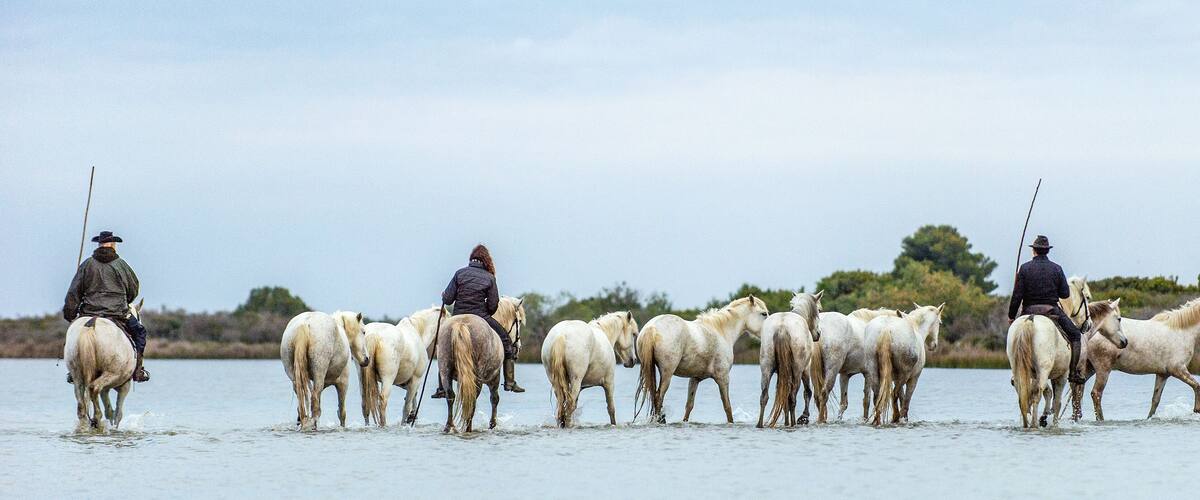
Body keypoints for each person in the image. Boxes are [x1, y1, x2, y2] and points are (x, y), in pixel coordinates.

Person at [431, 244, 524, 399]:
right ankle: (510, 381)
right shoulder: (489, 278)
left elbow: (447, 299)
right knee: (506, 341)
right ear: (486, 261)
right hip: (481, 316)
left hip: (456, 316)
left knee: (442, 346)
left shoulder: (459, 274)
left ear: (471, 259)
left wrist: (444, 295)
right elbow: (494, 305)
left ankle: (441, 387)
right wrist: (484, 311)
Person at [63, 230, 150, 383]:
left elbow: (74, 292)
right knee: (140, 333)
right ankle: (138, 371)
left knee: (74, 333)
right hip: (117, 312)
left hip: (89, 312)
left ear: (99, 244)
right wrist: (124, 301)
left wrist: (70, 313)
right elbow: (133, 290)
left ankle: (73, 371)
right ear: (113, 244)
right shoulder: (122, 265)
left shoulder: (87, 264)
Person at [1007, 235, 1086, 384]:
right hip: (1051, 310)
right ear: (1047, 251)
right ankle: (1073, 373)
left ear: (1034, 251)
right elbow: (1065, 293)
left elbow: (1016, 296)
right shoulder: (1057, 268)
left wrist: (1011, 316)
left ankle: (1014, 373)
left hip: (1028, 311)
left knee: (1015, 335)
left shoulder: (1024, 268)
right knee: (1075, 335)